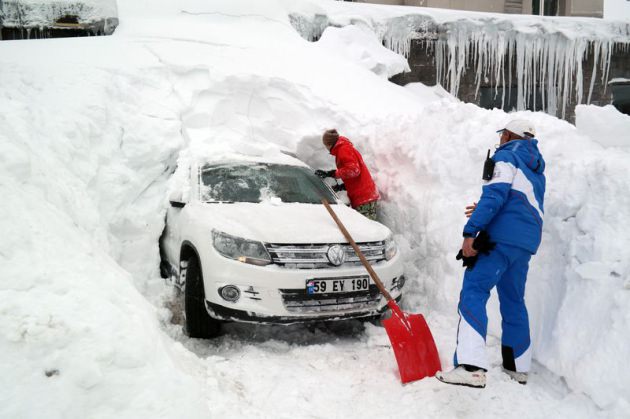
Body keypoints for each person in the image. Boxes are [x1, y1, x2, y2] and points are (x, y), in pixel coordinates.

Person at [436, 119, 546, 388]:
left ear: (509, 135)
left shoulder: (507, 157)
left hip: (498, 242)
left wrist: (471, 233)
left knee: (473, 291)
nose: (499, 140)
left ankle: (471, 367)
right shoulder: (535, 168)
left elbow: (495, 195)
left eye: (502, 135)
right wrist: (489, 210)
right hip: (524, 244)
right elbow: (519, 203)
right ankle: (517, 366)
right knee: (513, 300)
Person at [315, 129, 380, 220]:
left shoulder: (343, 149)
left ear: (329, 144)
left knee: (365, 231)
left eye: (325, 145)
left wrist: (332, 173)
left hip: (363, 198)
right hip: (364, 196)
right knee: (364, 230)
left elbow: (354, 170)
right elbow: (354, 173)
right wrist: (342, 186)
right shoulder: (344, 148)